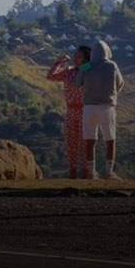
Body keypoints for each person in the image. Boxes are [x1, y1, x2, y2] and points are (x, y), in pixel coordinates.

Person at [75, 40, 125, 180]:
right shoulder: (112, 65)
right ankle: (109, 172)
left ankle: (91, 172)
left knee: (90, 140)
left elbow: (78, 83)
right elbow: (120, 83)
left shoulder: (86, 66)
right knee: (110, 140)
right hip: (107, 107)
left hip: (89, 107)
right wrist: (112, 94)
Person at [47, 45, 90, 179]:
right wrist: (59, 62)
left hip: (86, 111)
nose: (75, 58)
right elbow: (51, 76)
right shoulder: (69, 72)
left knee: (86, 143)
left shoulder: (90, 71)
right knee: (71, 142)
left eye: (79, 56)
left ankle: (86, 172)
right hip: (71, 110)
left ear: (86, 59)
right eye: (75, 56)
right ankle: (72, 170)